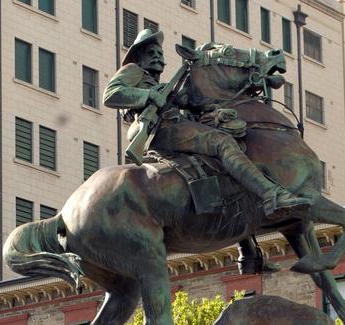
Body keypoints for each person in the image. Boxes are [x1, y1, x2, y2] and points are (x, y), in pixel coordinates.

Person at [103, 29, 311, 218]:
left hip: (172, 125)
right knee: (222, 142)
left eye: (159, 52)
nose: (157, 56)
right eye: (150, 52)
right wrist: (148, 95)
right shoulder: (133, 70)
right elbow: (110, 94)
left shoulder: (160, 84)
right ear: (139, 58)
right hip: (161, 128)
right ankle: (271, 194)